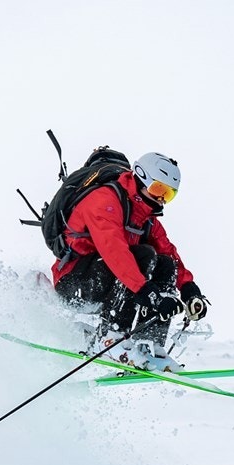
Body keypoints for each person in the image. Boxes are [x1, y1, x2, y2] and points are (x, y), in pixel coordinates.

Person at [49, 146, 210, 371]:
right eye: (158, 188)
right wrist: (148, 292)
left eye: (169, 194)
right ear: (141, 178)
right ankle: (110, 338)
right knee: (143, 255)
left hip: (113, 285)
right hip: (75, 284)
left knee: (164, 263)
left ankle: (150, 345)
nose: (161, 198)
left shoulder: (145, 217)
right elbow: (114, 251)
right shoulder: (104, 200)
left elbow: (169, 253)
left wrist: (189, 289)